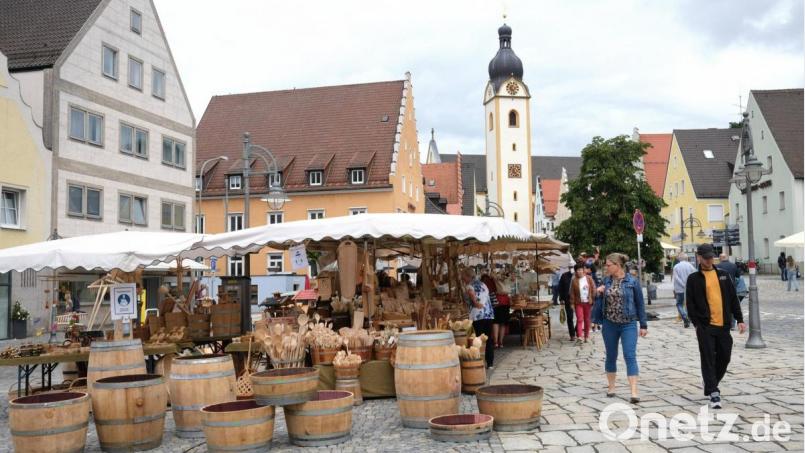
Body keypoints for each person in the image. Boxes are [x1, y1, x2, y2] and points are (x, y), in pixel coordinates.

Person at [686, 244, 745, 409]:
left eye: (711, 257)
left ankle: (710, 383)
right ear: (699, 257)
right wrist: (697, 323)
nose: (709, 260)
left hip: (724, 325)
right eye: (705, 257)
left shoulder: (723, 275)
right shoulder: (693, 278)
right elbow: (689, 304)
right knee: (708, 359)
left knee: (725, 357)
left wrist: (739, 319)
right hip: (705, 326)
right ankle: (714, 392)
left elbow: (733, 299)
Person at [591, 253, 648, 404]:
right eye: (606, 265)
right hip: (609, 324)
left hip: (628, 323)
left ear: (618, 265)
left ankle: (634, 391)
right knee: (611, 355)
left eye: (609, 265)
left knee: (630, 355)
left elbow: (640, 303)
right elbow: (597, 301)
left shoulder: (632, 281)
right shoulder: (605, 281)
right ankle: (611, 387)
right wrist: (598, 292)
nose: (606, 268)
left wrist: (643, 324)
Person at [461, 267, 495, 369]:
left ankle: (479, 361)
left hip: (477, 316)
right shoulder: (483, 284)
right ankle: (490, 363)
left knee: (478, 340)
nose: (463, 280)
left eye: (464, 277)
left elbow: (471, 293)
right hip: (488, 315)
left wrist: (475, 302)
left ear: (468, 276)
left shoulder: (469, 286)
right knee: (488, 339)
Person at [570, 263, 595, 344]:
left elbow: (593, 288)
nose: (579, 271)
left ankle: (586, 336)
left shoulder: (589, 278)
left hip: (588, 302)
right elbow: (572, 293)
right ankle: (580, 337)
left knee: (587, 320)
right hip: (578, 303)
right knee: (580, 319)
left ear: (583, 270)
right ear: (576, 271)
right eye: (578, 270)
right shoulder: (574, 280)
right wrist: (572, 303)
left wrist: (593, 298)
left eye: (581, 269)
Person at [672, 253, 696, 328]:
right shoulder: (690, 266)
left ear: (679, 259)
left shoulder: (676, 266)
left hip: (679, 288)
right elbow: (694, 275)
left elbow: (676, 278)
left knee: (679, 304)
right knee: (689, 303)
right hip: (689, 288)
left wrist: (683, 284)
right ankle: (689, 317)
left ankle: (684, 316)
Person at [492, 273, 511, 348]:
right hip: (505, 303)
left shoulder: (495, 281)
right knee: (502, 324)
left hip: (497, 303)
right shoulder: (506, 283)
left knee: (496, 322)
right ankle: (501, 342)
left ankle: (496, 342)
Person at [558, 265, 575, 341]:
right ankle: (572, 335)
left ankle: (577, 330)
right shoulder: (564, 275)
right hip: (567, 299)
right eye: (570, 266)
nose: (571, 268)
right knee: (570, 317)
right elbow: (560, 287)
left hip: (578, 300)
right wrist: (561, 299)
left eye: (573, 266)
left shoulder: (578, 275)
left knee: (580, 318)